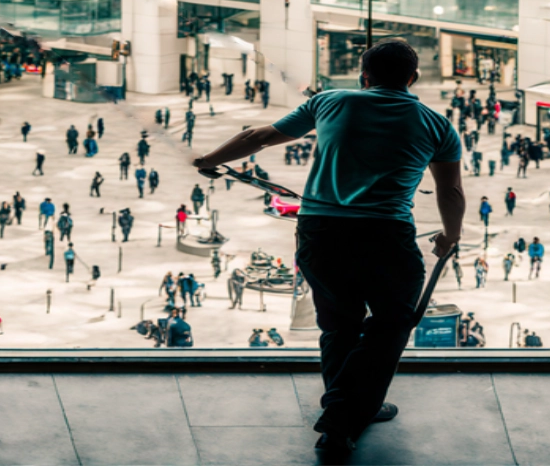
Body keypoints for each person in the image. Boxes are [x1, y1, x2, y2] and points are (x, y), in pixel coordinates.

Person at [190, 39, 462, 457]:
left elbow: (258, 137)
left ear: (363, 74)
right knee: (392, 324)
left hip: (322, 234)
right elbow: (450, 191)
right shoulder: (438, 125)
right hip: (387, 237)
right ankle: (347, 413)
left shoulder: (329, 102)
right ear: (414, 78)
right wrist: (450, 234)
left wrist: (209, 159)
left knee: (339, 325)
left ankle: (346, 412)